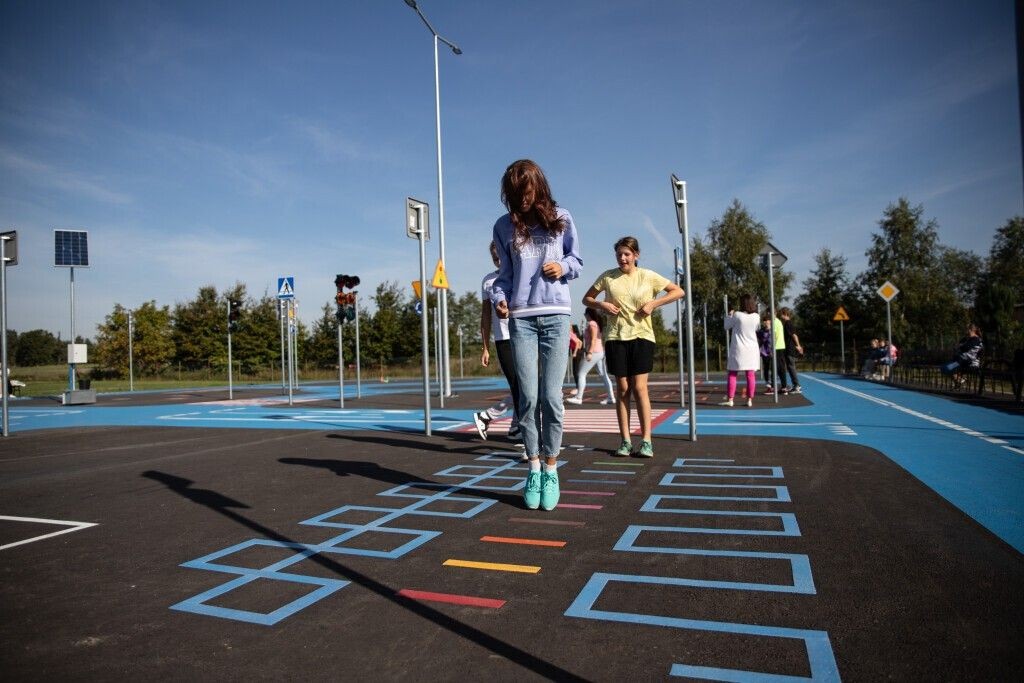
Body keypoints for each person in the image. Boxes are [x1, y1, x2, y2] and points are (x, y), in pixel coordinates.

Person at [490, 159, 582, 511]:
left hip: (556, 317)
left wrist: (563, 267)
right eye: (515, 195)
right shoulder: (503, 226)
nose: (523, 200)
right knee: (527, 397)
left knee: (551, 398)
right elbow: (504, 277)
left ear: (538, 187)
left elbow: (577, 259)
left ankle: (552, 467)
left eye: (527, 192)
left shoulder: (562, 217)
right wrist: (500, 300)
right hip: (522, 320)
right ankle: (532, 468)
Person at [582, 236, 684, 458]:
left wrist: (654, 304)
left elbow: (678, 291)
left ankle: (646, 440)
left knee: (639, 388)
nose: (622, 258)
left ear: (636, 255)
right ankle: (625, 441)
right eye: (619, 254)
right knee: (623, 389)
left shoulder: (648, 276)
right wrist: (602, 304)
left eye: (627, 254)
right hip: (616, 337)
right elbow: (586, 299)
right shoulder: (608, 277)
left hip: (642, 336)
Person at [473, 241, 523, 451]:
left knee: (527, 386)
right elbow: (485, 316)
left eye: (501, 256)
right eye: (494, 258)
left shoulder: (519, 275)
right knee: (519, 387)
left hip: (524, 335)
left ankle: (508, 425)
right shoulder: (488, 281)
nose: (498, 261)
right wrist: (485, 346)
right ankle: (522, 436)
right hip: (503, 339)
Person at [565, 308, 616, 405]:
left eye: (585, 313)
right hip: (600, 351)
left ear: (588, 314)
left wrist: (590, 352)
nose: (584, 315)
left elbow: (593, 340)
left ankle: (579, 397)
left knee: (581, 373)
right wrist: (586, 350)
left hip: (595, 352)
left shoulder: (592, 324)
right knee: (603, 375)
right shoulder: (596, 324)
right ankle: (611, 397)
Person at [720, 294, 761, 407]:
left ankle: (731, 399)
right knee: (750, 374)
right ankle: (749, 400)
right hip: (752, 348)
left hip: (739, 348)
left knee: (733, 373)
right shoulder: (756, 316)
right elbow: (757, 328)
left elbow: (726, 326)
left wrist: (729, 315)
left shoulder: (737, 315)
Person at [778, 307, 803, 394]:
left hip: (790, 349)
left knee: (791, 367)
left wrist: (798, 346)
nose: (780, 316)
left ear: (785, 314)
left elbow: (794, 335)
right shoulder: (787, 323)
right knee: (790, 367)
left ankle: (797, 386)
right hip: (788, 348)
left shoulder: (788, 323)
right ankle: (795, 385)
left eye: (781, 314)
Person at [765, 311, 786, 394]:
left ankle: (773, 388)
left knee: (774, 368)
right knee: (780, 368)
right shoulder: (778, 322)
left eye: (770, 314)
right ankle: (784, 387)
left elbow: (775, 336)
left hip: (777, 347)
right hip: (780, 347)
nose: (769, 316)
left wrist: (771, 348)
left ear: (775, 313)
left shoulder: (775, 322)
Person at [757, 317, 773, 390]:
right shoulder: (761, 331)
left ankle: (772, 384)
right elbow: (760, 339)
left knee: (773, 368)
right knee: (766, 368)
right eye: (765, 322)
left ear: (770, 322)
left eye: (767, 321)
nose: (766, 323)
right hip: (765, 352)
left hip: (772, 352)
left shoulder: (773, 329)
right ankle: (767, 383)